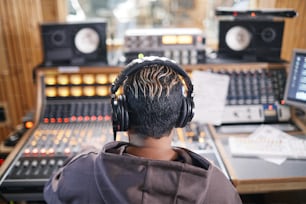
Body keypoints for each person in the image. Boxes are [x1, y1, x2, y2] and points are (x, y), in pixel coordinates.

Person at [43, 56, 242, 204]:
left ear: (121, 116)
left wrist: (85, 155)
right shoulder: (217, 187)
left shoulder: (82, 171)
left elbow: (51, 192)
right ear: (183, 114)